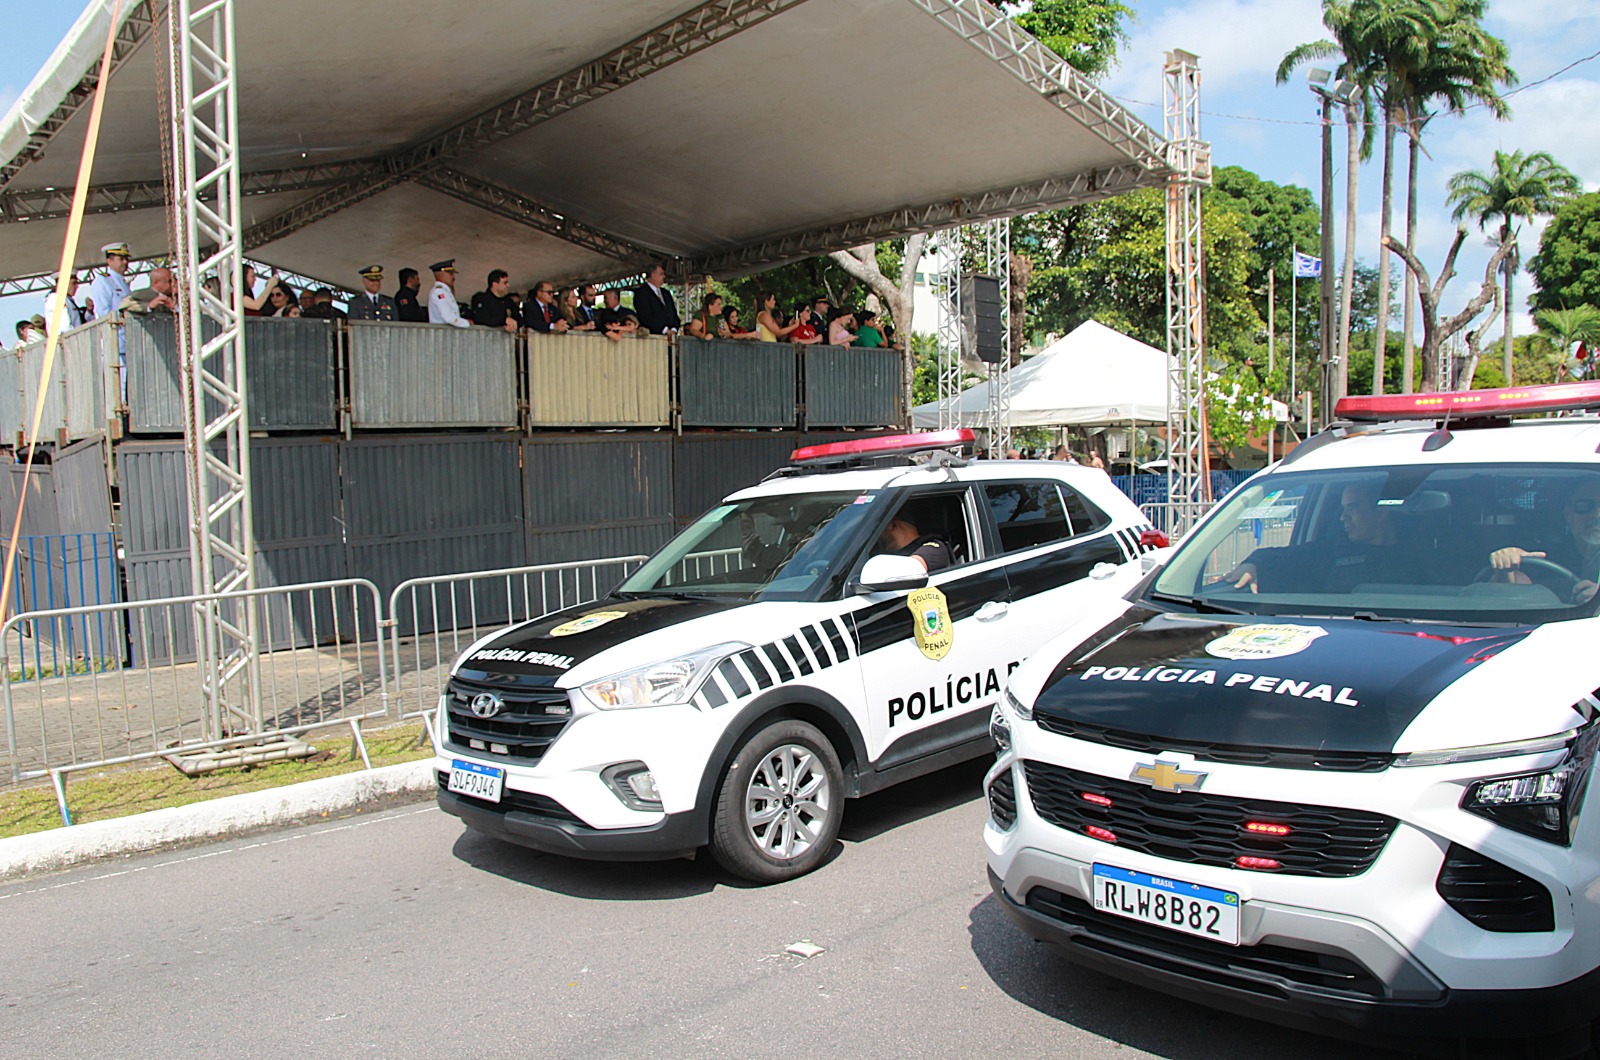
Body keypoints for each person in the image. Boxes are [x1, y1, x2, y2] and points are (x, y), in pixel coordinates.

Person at [1226, 482, 1400, 594]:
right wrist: (1253, 563)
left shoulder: (1417, 553)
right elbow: (1282, 557)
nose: (1342, 518)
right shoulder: (1331, 552)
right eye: (1342, 509)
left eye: (1353, 508)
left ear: (1380, 513)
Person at [1489, 477, 1600, 603]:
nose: (1597, 514)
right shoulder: (1545, 557)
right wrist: (1506, 568)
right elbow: (1511, 595)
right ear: (1568, 514)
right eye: (1584, 506)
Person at [878, 514, 951, 573]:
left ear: (892, 525)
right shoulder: (877, 553)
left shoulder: (933, 548)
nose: (879, 536)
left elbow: (910, 568)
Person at [631, 263, 680, 334]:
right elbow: (645, 316)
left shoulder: (666, 293)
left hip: (671, 337)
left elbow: (673, 313)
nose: (664, 276)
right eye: (661, 274)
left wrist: (674, 328)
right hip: (654, 337)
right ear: (653, 275)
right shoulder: (641, 293)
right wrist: (664, 330)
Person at [88, 241, 133, 321]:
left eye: (126, 258)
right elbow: (103, 313)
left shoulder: (124, 283)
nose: (125, 262)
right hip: (115, 331)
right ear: (109, 261)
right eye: (121, 259)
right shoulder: (103, 281)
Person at [427, 259, 469, 328]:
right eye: (450, 274)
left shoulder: (444, 291)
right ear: (441, 274)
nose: (453, 277)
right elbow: (449, 317)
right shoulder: (439, 292)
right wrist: (466, 323)